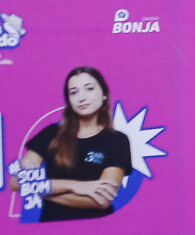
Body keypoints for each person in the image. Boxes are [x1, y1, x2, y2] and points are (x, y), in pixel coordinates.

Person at [8, 67, 131, 222]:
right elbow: (16, 182)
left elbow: (102, 200)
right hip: (51, 228)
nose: (81, 98)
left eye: (89, 88)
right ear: (68, 99)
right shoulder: (51, 133)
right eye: (74, 92)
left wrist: (41, 190)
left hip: (99, 228)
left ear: (104, 94)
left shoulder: (117, 140)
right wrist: (73, 186)